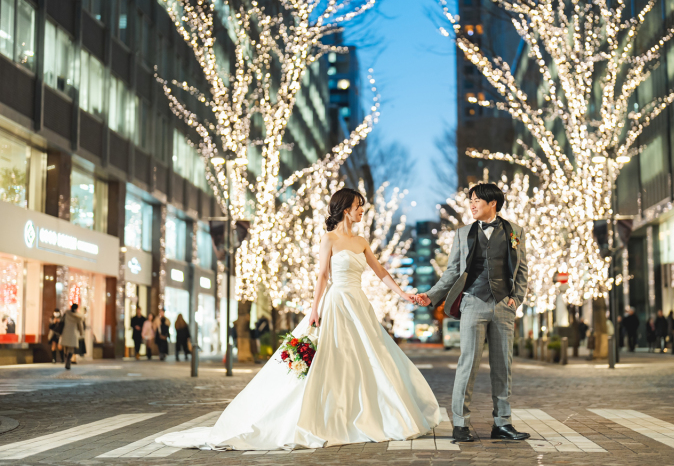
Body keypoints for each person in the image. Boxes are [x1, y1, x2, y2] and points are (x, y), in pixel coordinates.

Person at [156, 187, 439, 451]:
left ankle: (365, 412)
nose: (362, 210)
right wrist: (314, 309)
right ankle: (330, 415)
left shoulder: (362, 242)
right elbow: (323, 276)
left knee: (368, 357)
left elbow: (381, 272)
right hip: (337, 303)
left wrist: (403, 294)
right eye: (358, 206)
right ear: (345, 210)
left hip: (359, 304)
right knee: (335, 357)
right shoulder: (329, 239)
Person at [415, 183, 530, 443]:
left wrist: (516, 299)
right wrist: (431, 295)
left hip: (503, 305)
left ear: (493, 203)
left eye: (477, 200)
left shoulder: (515, 231)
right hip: (473, 302)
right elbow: (452, 272)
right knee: (467, 364)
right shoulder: (463, 234)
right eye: (471, 200)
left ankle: (503, 423)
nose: (472, 205)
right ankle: (460, 424)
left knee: (503, 366)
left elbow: (522, 269)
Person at [60, 304, 84, 370]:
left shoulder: (66, 313)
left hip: (65, 332)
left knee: (66, 347)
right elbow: (80, 325)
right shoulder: (78, 316)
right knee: (71, 348)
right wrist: (81, 333)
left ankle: (66, 358)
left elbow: (62, 321)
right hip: (73, 334)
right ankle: (68, 359)